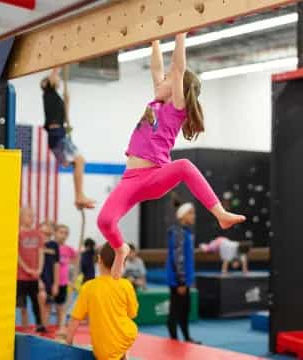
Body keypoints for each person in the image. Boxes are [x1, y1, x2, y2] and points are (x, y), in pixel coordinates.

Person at [97, 33, 246, 279]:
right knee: (104, 221)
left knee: (185, 165)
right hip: (130, 179)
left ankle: (220, 213)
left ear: (178, 86)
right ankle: (120, 249)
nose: (162, 79)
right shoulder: (156, 100)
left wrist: (180, 33)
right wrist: (154, 40)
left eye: (167, 79)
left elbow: (177, 68)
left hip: (155, 175)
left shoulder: (176, 108)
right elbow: (157, 68)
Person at [66, 243, 138, 360]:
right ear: (123, 263)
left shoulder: (88, 287)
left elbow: (75, 319)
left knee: (111, 349)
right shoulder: (126, 285)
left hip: (104, 348)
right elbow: (132, 314)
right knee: (121, 339)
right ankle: (124, 355)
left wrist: (68, 342)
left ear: (99, 260)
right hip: (126, 336)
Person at [41, 68, 95, 210]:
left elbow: (63, 116)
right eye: (55, 78)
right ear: (48, 83)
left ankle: (78, 197)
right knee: (80, 161)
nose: (58, 79)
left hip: (58, 134)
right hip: (56, 134)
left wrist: (67, 101)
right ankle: (79, 196)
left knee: (76, 163)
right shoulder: (48, 92)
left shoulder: (54, 98)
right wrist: (59, 64)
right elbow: (53, 75)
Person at [166, 202, 199, 344]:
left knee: (185, 309)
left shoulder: (186, 232)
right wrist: (181, 281)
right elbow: (178, 258)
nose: (194, 216)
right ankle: (174, 338)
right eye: (191, 213)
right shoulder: (179, 232)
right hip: (178, 280)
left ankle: (186, 337)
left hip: (183, 279)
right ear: (182, 215)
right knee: (177, 309)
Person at [17, 207, 45, 332]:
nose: (32, 218)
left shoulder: (38, 234)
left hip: (34, 275)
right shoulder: (18, 233)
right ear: (21, 217)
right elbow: (16, 254)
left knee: (36, 301)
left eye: (33, 216)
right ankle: (24, 326)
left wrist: (39, 268)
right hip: (21, 276)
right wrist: (26, 268)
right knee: (22, 304)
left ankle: (39, 324)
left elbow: (40, 252)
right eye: (29, 215)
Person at [54, 224, 78, 335]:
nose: (63, 235)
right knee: (48, 306)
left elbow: (76, 262)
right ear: (55, 233)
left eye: (65, 233)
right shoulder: (51, 247)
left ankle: (60, 326)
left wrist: (73, 280)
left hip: (63, 282)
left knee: (61, 307)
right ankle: (45, 327)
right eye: (61, 232)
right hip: (51, 281)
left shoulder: (69, 250)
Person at [38, 220, 60, 331]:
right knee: (41, 298)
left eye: (51, 226)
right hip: (38, 276)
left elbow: (56, 265)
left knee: (48, 303)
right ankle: (41, 324)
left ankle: (45, 326)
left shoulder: (54, 245)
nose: (49, 228)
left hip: (50, 277)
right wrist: (37, 279)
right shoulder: (36, 242)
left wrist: (56, 283)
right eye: (46, 225)